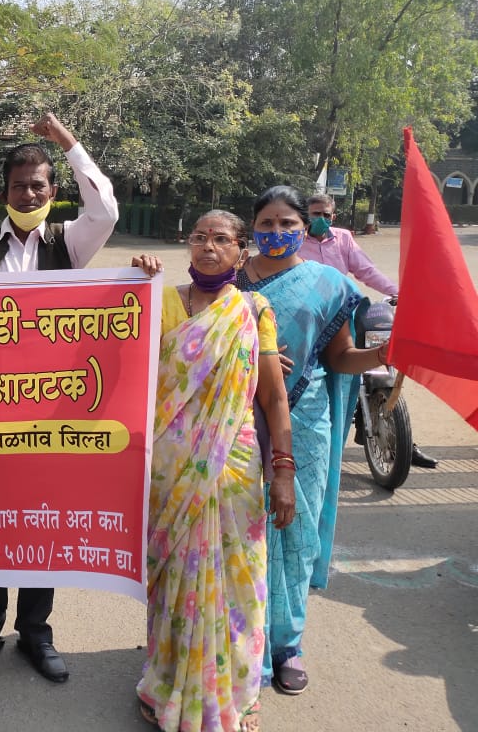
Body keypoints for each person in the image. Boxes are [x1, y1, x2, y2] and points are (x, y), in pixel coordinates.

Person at [0, 111, 119, 684]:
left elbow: (106, 210)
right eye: (19, 185)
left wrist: (66, 140)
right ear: (5, 192)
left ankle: (36, 632)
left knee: (41, 517)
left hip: (51, 407)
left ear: (53, 190)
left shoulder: (68, 241)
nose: (28, 194)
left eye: (38, 185)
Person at [132, 213, 295, 732]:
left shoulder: (253, 310)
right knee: (174, 576)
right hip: (170, 466)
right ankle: (167, 684)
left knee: (237, 575)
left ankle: (234, 694)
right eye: (199, 237)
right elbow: (119, 359)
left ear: (241, 251)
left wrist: (283, 470)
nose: (208, 246)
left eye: (221, 239)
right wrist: (131, 284)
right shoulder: (161, 301)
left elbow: (273, 397)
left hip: (235, 462)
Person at [237, 186, 390, 696]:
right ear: (252, 226)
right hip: (237, 418)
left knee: (295, 530)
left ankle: (288, 644)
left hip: (304, 421)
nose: (276, 232)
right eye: (266, 222)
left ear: (305, 228)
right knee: (242, 530)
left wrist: (383, 355)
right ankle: (244, 640)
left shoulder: (328, 284)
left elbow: (340, 357)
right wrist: (250, 357)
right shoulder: (228, 279)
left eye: (287, 223)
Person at [299, 194, 436, 469]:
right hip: (310, 319)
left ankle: (401, 439)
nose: (321, 219)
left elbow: (366, 270)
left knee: (376, 362)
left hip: (345, 314)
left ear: (333, 217)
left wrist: (398, 293)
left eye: (326, 215)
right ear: (305, 216)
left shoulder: (343, 239)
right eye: (315, 214)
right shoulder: (296, 241)